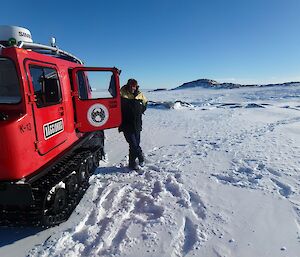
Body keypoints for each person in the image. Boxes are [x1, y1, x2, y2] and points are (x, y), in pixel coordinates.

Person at [119, 79, 148, 169]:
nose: (133, 88)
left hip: (137, 124)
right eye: (131, 86)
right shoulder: (121, 93)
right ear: (128, 85)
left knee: (134, 145)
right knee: (133, 144)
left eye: (134, 86)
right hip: (126, 124)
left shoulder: (140, 94)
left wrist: (139, 111)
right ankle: (140, 157)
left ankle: (131, 163)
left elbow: (145, 103)